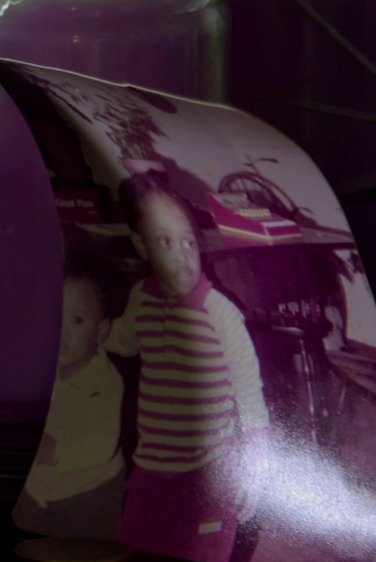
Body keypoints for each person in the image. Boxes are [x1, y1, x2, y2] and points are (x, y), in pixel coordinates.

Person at [107, 170, 270, 562]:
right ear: (141, 246)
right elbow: (123, 341)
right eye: (165, 241)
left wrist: (255, 471)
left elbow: (250, 395)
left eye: (189, 242)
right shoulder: (140, 298)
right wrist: (94, 330)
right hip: (150, 468)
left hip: (208, 473)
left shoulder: (221, 313)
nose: (181, 255)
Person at [15, 255, 128, 541]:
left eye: (76, 320)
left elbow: (96, 448)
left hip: (89, 497)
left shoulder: (104, 383)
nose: (60, 330)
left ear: (100, 331)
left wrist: (46, 447)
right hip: (40, 490)